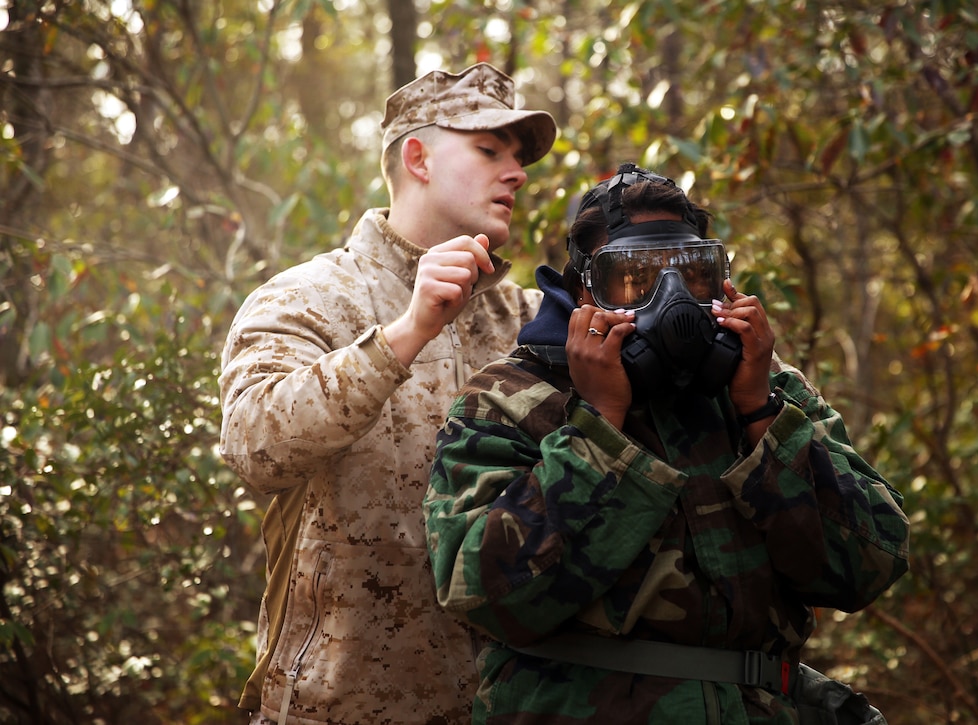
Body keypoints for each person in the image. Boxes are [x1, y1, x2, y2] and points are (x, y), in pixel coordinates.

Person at [424, 164, 910, 723]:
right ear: (584, 288)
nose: (671, 299)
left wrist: (761, 412)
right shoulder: (509, 399)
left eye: (693, 275)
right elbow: (486, 596)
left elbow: (870, 564)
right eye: (634, 279)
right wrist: (601, 427)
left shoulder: (762, 384)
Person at [218, 62, 557, 725]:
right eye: (490, 150)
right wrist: (407, 331)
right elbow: (255, 445)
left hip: (510, 708)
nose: (516, 172)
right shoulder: (307, 297)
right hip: (337, 709)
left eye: (519, 157)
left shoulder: (530, 320)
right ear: (418, 157)